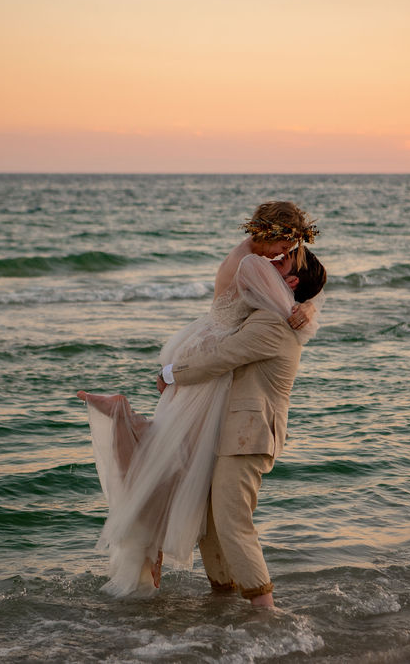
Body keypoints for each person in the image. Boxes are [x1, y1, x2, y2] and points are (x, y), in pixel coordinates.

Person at [77, 202, 321, 597]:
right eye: (286, 247)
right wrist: (295, 307)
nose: (287, 258)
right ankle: (196, 573)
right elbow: (249, 323)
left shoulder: (266, 262)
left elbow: (312, 281)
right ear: (277, 235)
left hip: (220, 361)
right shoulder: (250, 264)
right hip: (214, 352)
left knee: (185, 467)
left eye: (290, 253)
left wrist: (305, 307)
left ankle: (224, 593)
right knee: (179, 463)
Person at [159, 246, 327, 607]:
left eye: (280, 262)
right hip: (236, 431)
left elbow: (224, 356)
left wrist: (172, 374)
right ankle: (224, 599)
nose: (270, 263)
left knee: (233, 521)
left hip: (249, 433)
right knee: (212, 521)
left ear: (291, 281)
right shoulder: (273, 311)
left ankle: (265, 614)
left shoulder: (272, 321)